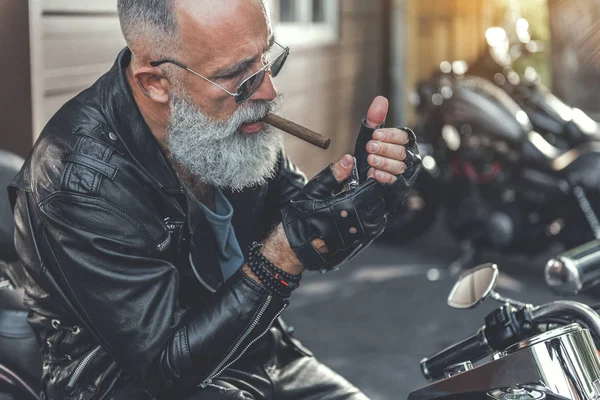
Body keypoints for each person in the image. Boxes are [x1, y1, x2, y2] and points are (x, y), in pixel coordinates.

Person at [9, 0, 420, 399]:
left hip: (253, 351)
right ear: (155, 83)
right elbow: (164, 369)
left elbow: (306, 236)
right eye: (240, 75)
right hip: (130, 382)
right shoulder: (79, 181)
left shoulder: (235, 118)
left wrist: (366, 199)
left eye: (266, 58)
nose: (268, 89)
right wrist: (280, 257)